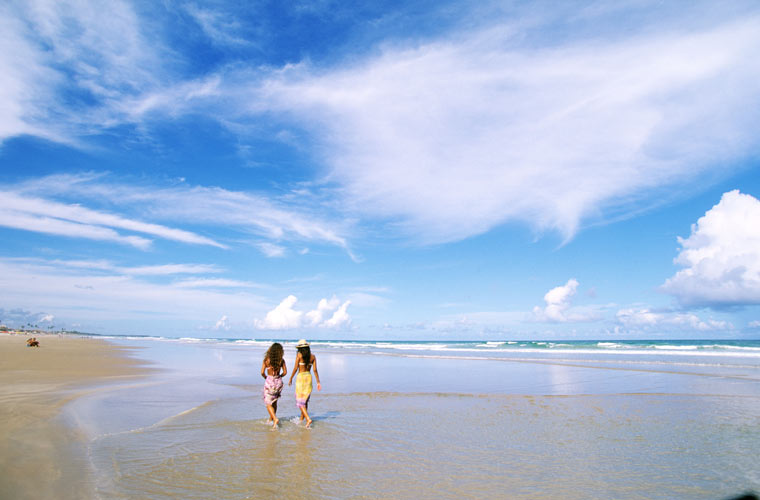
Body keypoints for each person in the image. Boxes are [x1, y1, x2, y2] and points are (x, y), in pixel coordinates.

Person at [288, 339, 321, 428]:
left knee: (299, 400)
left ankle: (307, 418)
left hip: (301, 378)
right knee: (305, 400)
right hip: (308, 377)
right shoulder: (313, 356)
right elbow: (314, 370)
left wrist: (290, 378)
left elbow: (295, 368)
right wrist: (318, 382)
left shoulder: (299, 355)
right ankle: (301, 419)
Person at [261, 342, 287, 428]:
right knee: (274, 402)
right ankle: (271, 419)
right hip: (278, 381)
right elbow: (285, 372)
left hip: (270, 381)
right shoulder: (281, 360)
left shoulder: (266, 360)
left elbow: (262, 372)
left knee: (268, 403)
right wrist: (279, 376)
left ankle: (275, 419)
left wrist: (266, 377)